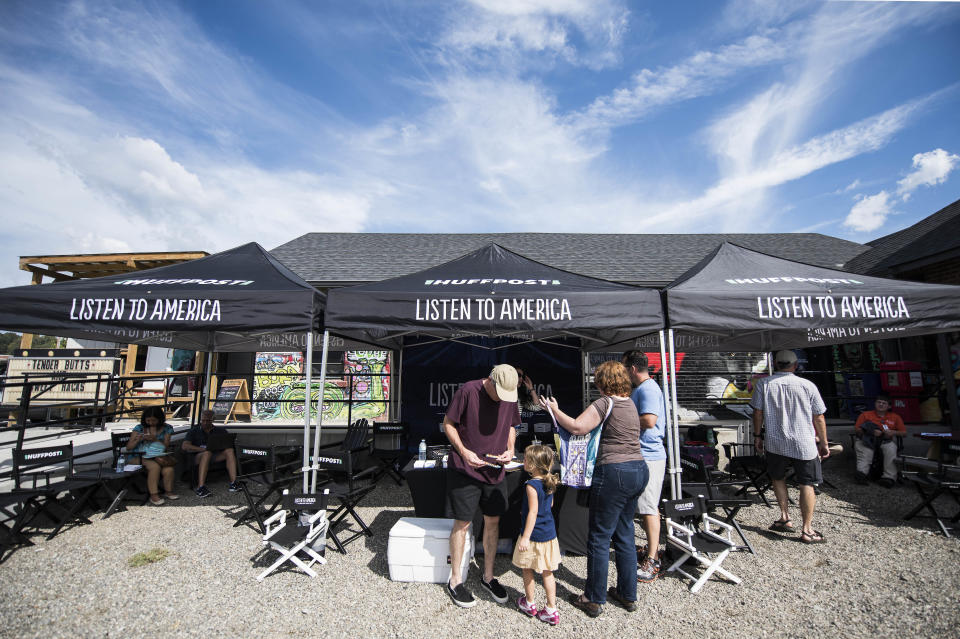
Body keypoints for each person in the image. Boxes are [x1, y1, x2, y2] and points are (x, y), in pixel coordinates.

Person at [541, 360, 647, 617]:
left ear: (603, 382)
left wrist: (555, 410)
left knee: (599, 537)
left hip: (614, 472)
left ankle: (593, 598)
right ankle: (627, 594)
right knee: (624, 533)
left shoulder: (604, 403)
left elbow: (578, 427)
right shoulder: (631, 404)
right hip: (638, 469)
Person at [443, 364, 520, 608]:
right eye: (500, 393)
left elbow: (511, 426)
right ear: (490, 380)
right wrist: (464, 452)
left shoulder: (509, 393)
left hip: (495, 470)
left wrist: (510, 449)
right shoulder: (468, 391)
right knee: (463, 522)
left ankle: (488, 576)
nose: (503, 399)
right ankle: (455, 581)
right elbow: (448, 423)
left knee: (493, 521)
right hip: (466, 469)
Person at [750, 350, 830, 544]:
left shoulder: (764, 384)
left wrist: (758, 435)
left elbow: (758, 413)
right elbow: (819, 416)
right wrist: (824, 442)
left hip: (776, 440)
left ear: (776, 364)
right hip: (804, 441)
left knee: (777, 478)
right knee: (807, 483)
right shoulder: (807, 385)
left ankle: (785, 516)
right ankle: (807, 529)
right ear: (795, 366)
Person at [622, 349, 666, 583]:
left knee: (649, 507)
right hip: (641, 454)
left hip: (650, 455)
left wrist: (622, 418)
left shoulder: (648, 389)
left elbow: (649, 420)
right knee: (642, 505)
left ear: (633, 369)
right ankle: (649, 550)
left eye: (624, 368)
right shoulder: (643, 389)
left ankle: (653, 558)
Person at [512, 444, 561, 626]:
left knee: (527, 568)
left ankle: (530, 603)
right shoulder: (550, 482)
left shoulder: (531, 485)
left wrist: (525, 536)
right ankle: (551, 609)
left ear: (533, 465)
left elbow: (533, 512)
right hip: (549, 534)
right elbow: (550, 506)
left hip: (533, 536)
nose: (523, 461)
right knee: (548, 572)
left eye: (525, 459)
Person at [126, 406, 179, 505]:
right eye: (148, 420)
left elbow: (165, 446)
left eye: (154, 420)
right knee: (154, 467)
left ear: (160, 419)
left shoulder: (167, 428)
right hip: (138, 456)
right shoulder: (139, 428)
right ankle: (154, 495)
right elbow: (129, 447)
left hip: (157, 455)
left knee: (168, 469)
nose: (150, 423)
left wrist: (155, 439)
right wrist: (138, 439)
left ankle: (168, 491)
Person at [180, 409, 239, 498]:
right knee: (207, 453)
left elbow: (228, 443)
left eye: (208, 421)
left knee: (229, 451)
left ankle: (233, 483)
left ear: (213, 420)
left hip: (215, 454)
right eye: (203, 420)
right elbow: (185, 446)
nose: (205, 423)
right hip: (198, 456)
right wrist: (201, 449)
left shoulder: (220, 431)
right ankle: (201, 487)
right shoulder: (194, 431)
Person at [854, 394, 905, 488]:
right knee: (866, 450)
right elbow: (857, 430)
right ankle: (861, 474)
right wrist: (871, 431)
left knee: (891, 449)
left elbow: (903, 433)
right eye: (878, 402)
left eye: (884, 403)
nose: (881, 405)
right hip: (867, 439)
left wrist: (892, 432)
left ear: (889, 406)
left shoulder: (895, 417)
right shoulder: (865, 415)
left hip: (885, 440)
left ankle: (889, 478)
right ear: (875, 404)